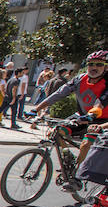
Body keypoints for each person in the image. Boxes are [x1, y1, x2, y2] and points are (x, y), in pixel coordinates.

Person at [34, 50, 108, 184]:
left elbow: (100, 103)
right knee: (56, 132)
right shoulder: (79, 79)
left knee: (86, 143)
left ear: (105, 67)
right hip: (82, 116)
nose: (94, 68)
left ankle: (77, 175)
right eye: (91, 64)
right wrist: (36, 109)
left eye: (99, 64)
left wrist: (92, 114)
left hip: (101, 120)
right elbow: (59, 94)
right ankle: (68, 158)